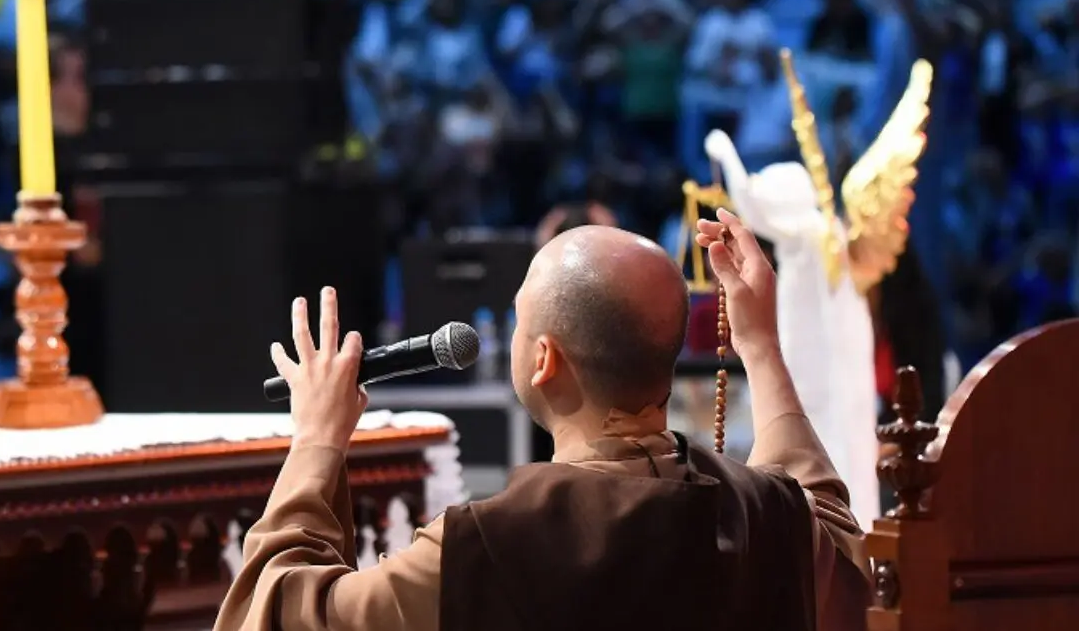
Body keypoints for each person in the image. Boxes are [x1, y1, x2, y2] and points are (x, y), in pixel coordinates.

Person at [214, 211, 868, 631]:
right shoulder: (767, 515)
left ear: (544, 359)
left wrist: (318, 440)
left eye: (522, 312)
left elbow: (274, 619)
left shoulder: (490, 544)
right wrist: (759, 347)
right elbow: (837, 542)